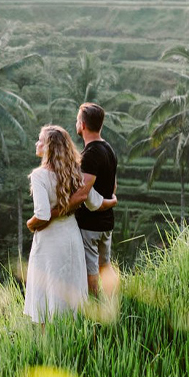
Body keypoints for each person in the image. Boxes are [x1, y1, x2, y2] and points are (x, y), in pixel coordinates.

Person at [23, 125, 116, 323]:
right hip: (71, 236)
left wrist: (30, 224)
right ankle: (71, 336)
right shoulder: (74, 172)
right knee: (70, 290)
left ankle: (48, 344)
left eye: (40, 140)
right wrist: (113, 201)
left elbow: (41, 214)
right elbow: (94, 202)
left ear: (49, 147)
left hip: (49, 239)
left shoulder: (39, 176)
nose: (36, 143)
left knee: (46, 292)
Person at [70, 103, 118, 297]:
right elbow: (113, 186)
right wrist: (110, 201)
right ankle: (115, 300)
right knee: (105, 265)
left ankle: (96, 311)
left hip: (91, 225)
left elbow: (83, 193)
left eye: (77, 120)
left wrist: (61, 209)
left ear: (82, 125)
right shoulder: (109, 149)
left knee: (90, 271)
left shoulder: (90, 154)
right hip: (106, 222)